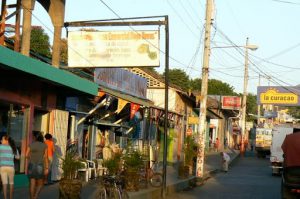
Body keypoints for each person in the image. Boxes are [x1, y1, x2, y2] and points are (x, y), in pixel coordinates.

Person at [26, 131, 48, 199]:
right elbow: (45, 157)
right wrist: (47, 168)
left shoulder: (31, 145)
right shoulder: (44, 145)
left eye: (33, 136)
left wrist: (31, 158)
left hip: (31, 165)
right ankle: (35, 196)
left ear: (35, 137)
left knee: (32, 183)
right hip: (40, 165)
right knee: (40, 183)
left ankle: (32, 197)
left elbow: (26, 155)